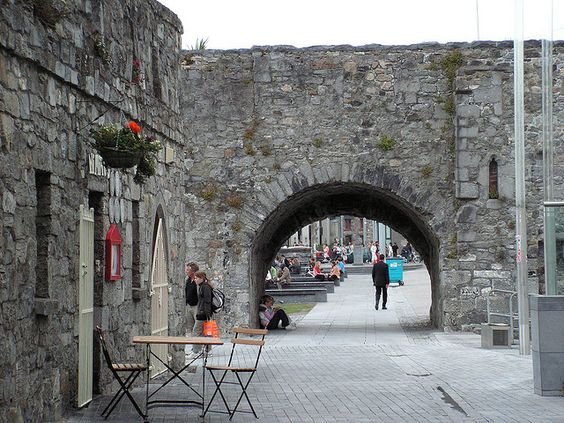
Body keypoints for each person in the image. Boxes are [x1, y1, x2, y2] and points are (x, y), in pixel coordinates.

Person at [186, 271, 213, 359]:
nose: (195, 280)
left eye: (196, 278)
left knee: (196, 332)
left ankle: (196, 351)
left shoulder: (205, 287)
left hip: (203, 313)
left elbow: (207, 301)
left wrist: (203, 312)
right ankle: (207, 350)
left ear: (201, 278)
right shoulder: (203, 286)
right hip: (204, 313)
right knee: (205, 332)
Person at [185, 262, 200, 338]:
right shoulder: (187, 280)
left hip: (197, 306)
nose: (186, 271)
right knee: (189, 326)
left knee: (198, 327)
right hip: (189, 305)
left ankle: (199, 346)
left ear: (193, 271)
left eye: (188, 270)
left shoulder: (198, 281)